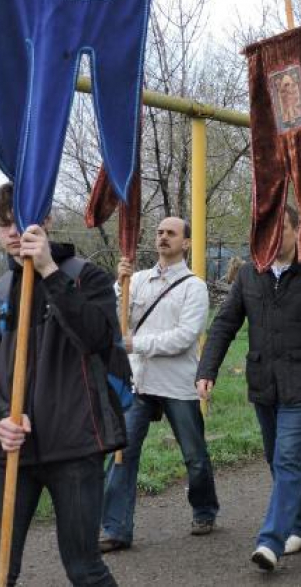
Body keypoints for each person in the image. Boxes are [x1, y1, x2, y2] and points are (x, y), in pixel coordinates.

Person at [196, 206, 301, 572]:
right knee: (277, 460)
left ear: (298, 231)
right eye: (265, 230)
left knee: (286, 459)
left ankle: (271, 541)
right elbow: (224, 324)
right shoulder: (251, 273)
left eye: (280, 229)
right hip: (264, 383)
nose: (271, 236)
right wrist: (208, 370)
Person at [0, 183, 123, 586]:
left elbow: (98, 339)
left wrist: (49, 272)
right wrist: (0, 418)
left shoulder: (87, 277)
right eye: (2, 225)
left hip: (75, 446)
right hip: (12, 446)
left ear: (45, 219)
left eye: (21, 221)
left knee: (84, 569)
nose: (13, 233)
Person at [100, 218, 218, 552]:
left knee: (194, 456)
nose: (163, 237)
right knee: (122, 454)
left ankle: (205, 508)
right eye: (160, 232)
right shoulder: (136, 280)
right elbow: (112, 315)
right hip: (139, 382)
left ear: (186, 243)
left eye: (171, 233)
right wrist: (118, 283)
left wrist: (136, 343)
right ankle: (116, 528)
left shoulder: (194, 286)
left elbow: (184, 337)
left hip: (178, 383)